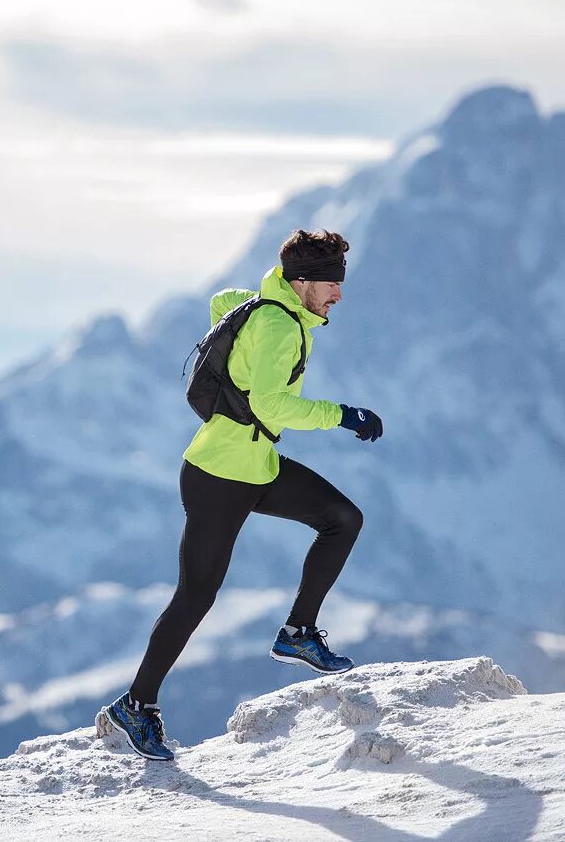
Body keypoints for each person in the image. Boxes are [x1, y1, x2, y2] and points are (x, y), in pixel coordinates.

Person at [100, 229, 383, 761]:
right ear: (300, 284)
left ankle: (298, 633)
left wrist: (252, 304)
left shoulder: (272, 309)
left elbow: (221, 301)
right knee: (196, 596)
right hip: (220, 477)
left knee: (343, 518)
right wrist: (344, 415)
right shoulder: (279, 325)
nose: (338, 295)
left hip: (255, 465)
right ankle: (135, 707)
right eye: (329, 284)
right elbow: (273, 408)